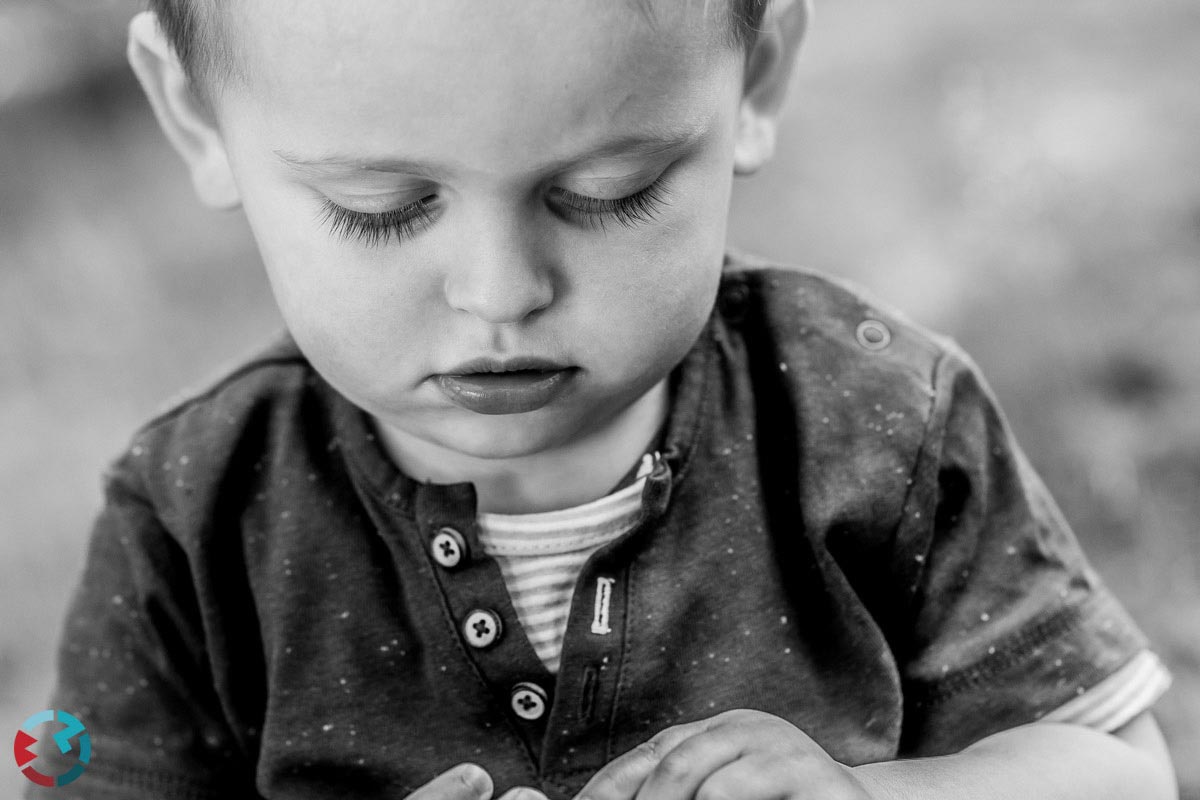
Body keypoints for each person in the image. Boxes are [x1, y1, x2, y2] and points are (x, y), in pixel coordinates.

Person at [29, 1, 1178, 798]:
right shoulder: (191, 515)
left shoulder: (877, 418)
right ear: (196, 115)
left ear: (758, 74)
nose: (501, 293)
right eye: (382, 207)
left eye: (606, 192)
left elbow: (1123, 769)